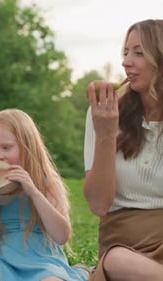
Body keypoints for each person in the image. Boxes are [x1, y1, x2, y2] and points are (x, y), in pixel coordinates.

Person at [0, 109, 89, 281]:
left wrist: (34, 192)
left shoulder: (46, 182)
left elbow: (61, 236)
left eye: (6, 147)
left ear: (27, 146)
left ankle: (81, 273)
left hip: (43, 262)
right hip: (0, 261)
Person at [83, 19, 163, 281]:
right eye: (126, 52)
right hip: (125, 248)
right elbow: (98, 204)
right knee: (117, 261)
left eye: (139, 52)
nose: (127, 61)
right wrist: (106, 134)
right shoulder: (105, 112)